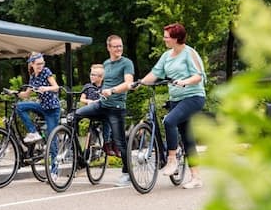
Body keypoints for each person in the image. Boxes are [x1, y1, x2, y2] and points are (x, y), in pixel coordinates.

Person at [136, 23, 206, 189]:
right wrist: (139, 83)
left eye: (166, 36)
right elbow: (155, 73)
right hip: (176, 99)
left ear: (176, 38)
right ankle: (196, 178)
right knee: (187, 137)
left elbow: (198, 76)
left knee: (169, 121)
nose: (164, 38)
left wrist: (184, 81)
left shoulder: (190, 53)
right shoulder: (167, 55)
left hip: (193, 97)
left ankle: (172, 160)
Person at [75, 35, 134, 186]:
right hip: (102, 104)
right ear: (108, 48)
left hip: (116, 108)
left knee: (120, 143)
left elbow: (128, 83)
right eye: (115, 46)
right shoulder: (106, 64)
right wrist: (98, 92)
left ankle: (127, 173)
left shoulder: (127, 63)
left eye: (120, 46)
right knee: (73, 116)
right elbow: (103, 81)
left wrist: (112, 90)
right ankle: (80, 157)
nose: (118, 49)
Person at [17, 52, 61, 144]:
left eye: (42, 63)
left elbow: (56, 88)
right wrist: (16, 93)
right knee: (19, 106)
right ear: (32, 64)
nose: (41, 66)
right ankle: (33, 132)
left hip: (52, 108)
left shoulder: (46, 71)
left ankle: (54, 158)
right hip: (42, 106)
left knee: (51, 137)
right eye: (38, 64)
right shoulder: (33, 77)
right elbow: (26, 94)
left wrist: (46, 88)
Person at [79, 64, 118, 157]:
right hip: (90, 110)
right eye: (91, 74)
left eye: (94, 75)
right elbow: (82, 99)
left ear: (100, 77)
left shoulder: (105, 87)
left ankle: (108, 143)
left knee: (109, 119)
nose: (91, 76)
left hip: (101, 111)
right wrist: (88, 101)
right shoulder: (88, 86)